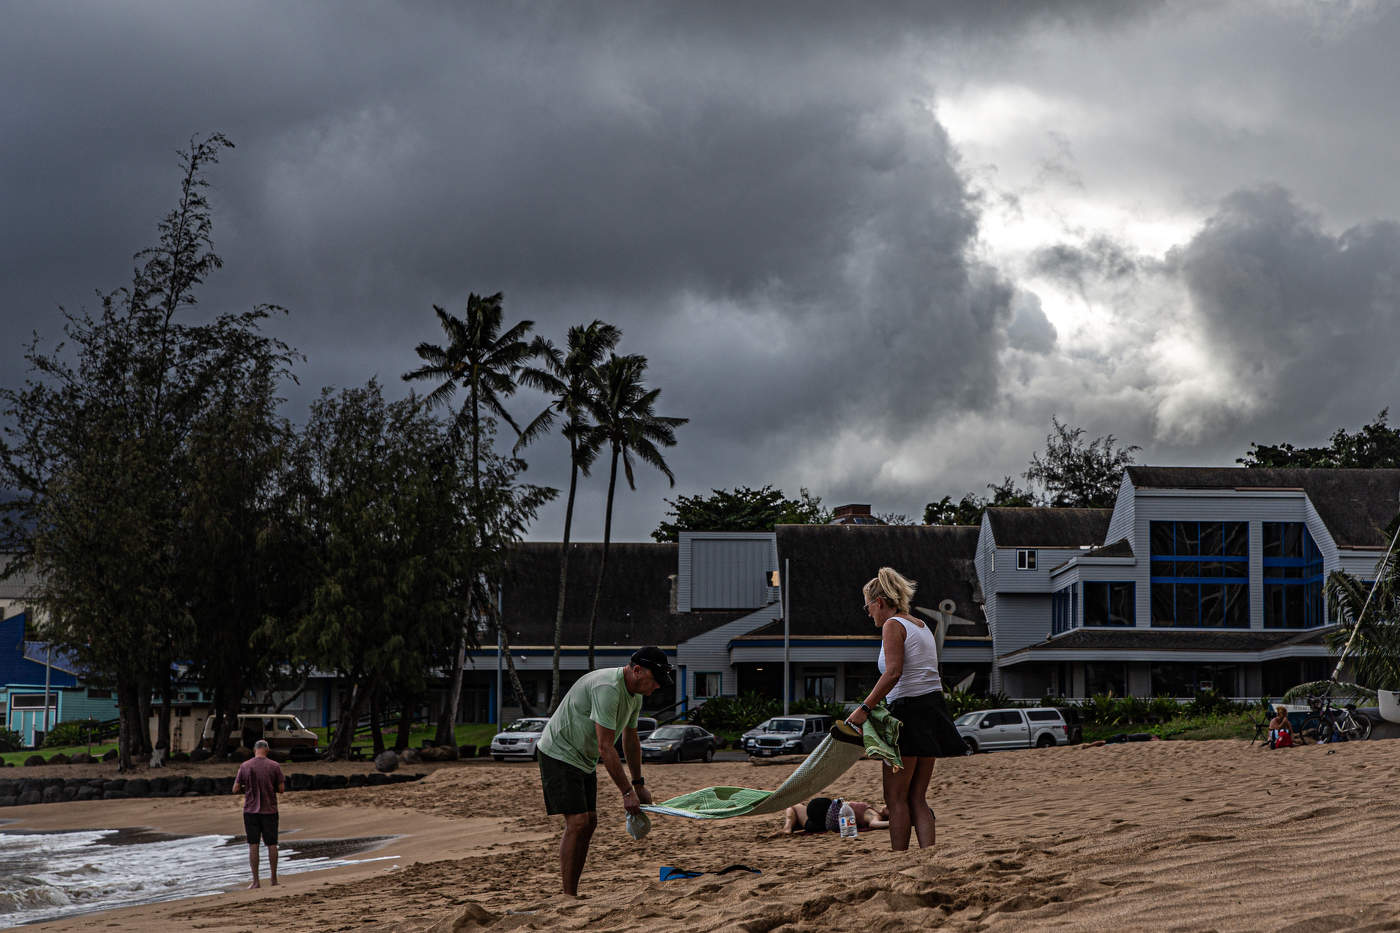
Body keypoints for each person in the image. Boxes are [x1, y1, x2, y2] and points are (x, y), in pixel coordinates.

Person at [536, 645, 672, 896]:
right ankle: (567, 896)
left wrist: (639, 783)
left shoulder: (635, 695)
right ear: (637, 670)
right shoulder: (608, 688)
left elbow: (630, 740)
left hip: (582, 758)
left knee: (590, 822)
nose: (658, 687)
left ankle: (572, 893)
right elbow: (605, 746)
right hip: (558, 752)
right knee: (577, 822)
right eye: (655, 680)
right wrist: (627, 792)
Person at [844, 567, 965, 851]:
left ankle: (900, 860)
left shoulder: (892, 625)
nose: (869, 614)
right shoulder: (920, 625)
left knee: (895, 797)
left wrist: (864, 708)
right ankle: (929, 856)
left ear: (880, 602)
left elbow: (894, 672)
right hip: (933, 710)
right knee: (917, 797)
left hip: (906, 714)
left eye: (868, 607)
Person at [232, 738, 286, 889]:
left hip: (250, 810)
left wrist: (247, 789)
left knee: (253, 845)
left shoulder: (245, 766)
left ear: (255, 750)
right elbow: (281, 789)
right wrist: (270, 787)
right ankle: (273, 879)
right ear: (267, 750)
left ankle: (256, 881)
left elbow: (235, 789)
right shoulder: (274, 766)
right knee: (272, 844)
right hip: (270, 810)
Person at [780, 796, 890, 834]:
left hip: (827, 818)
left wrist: (899, 822)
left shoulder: (873, 815)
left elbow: (874, 824)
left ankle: (788, 828)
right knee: (794, 806)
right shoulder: (873, 811)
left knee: (798, 806)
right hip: (821, 818)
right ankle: (788, 828)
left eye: (890, 808)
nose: (886, 806)